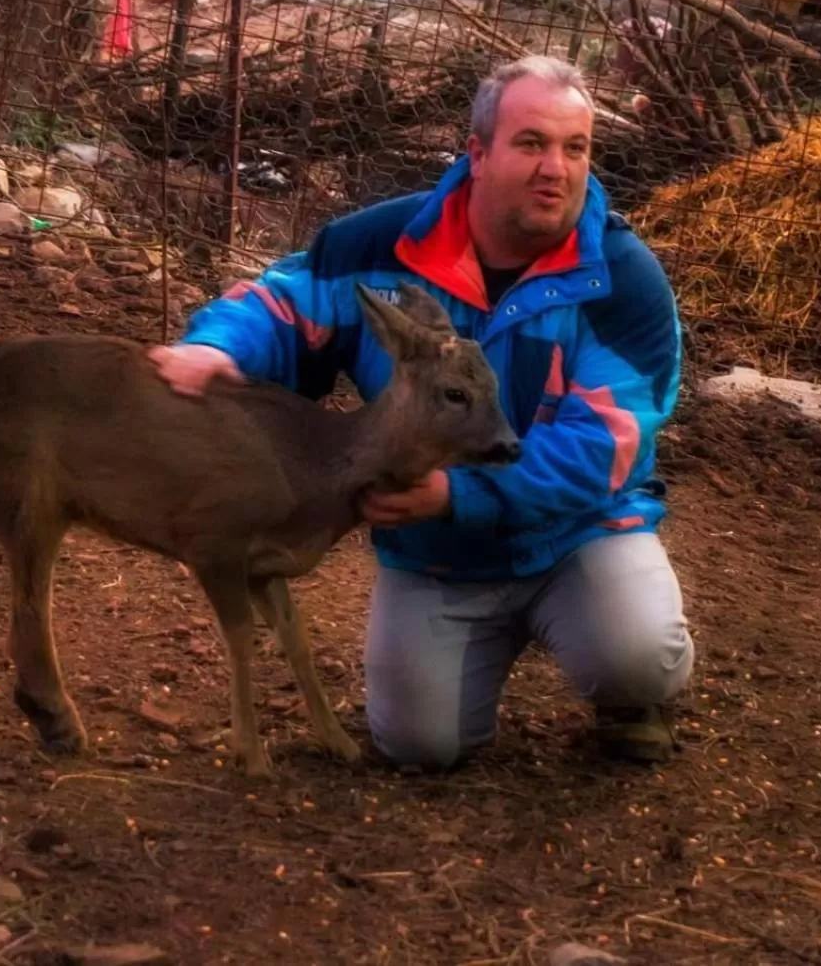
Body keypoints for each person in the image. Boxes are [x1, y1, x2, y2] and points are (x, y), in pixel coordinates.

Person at [148, 54, 695, 771]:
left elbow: (602, 450)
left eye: (575, 147)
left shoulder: (624, 282)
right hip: (441, 556)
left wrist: (456, 494)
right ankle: (478, 645)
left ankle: (631, 695)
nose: (555, 169)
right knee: (418, 743)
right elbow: (284, 301)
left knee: (638, 653)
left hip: (579, 534)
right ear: (477, 152)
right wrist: (215, 348)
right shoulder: (383, 244)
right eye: (531, 143)